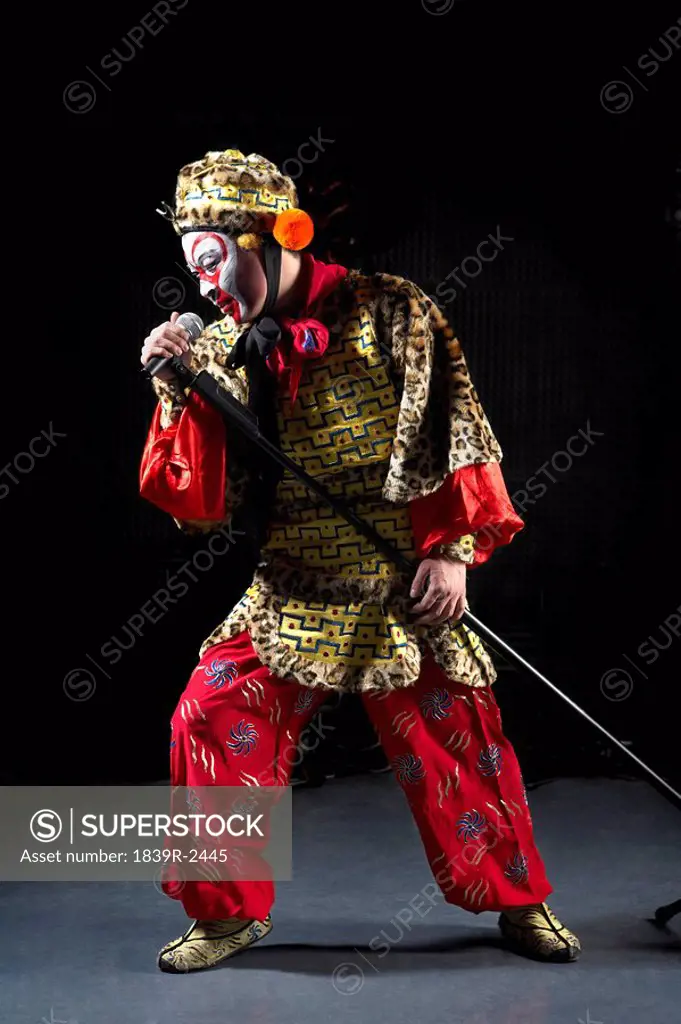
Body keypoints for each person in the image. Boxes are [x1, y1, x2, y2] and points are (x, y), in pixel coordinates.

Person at [139, 148, 581, 972]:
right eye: (189, 265)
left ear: (278, 237)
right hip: (291, 576)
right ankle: (228, 912)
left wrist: (449, 553)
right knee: (210, 714)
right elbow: (198, 502)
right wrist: (178, 389)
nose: (201, 286)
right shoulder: (225, 344)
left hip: (397, 572)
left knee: (460, 731)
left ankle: (516, 899)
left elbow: (455, 424)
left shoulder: (391, 309)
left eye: (211, 261)